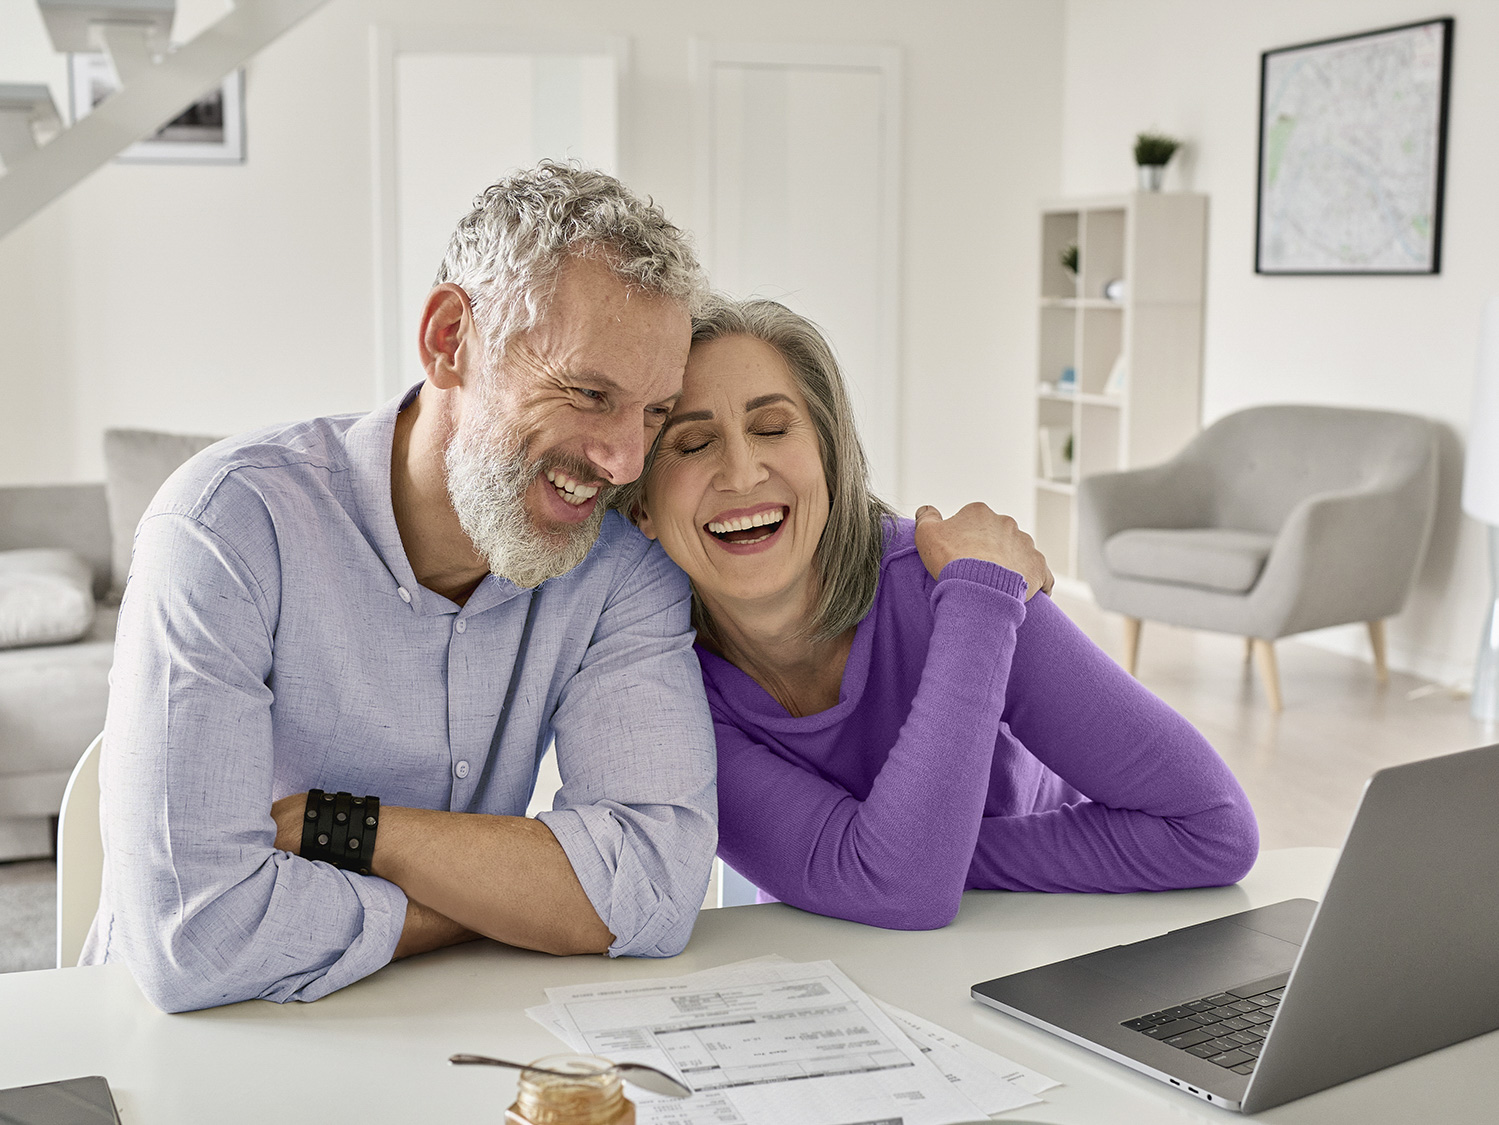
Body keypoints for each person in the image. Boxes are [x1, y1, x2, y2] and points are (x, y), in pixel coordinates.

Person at [82, 163, 720, 1012]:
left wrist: (341, 827)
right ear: (450, 337)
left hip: (429, 1030)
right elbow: (197, 937)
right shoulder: (227, 524)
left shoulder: (620, 566)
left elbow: (655, 883)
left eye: (652, 412)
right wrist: (500, 898)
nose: (625, 461)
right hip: (182, 1044)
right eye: (589, 393)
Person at [629, 297, 1259, 929]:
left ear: (828, 457)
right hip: (834, 967)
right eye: (692, 443)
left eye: (772, 428)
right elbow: (895, 886)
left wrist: (908, 857)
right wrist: (897, 861)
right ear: (641, 509)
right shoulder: (663, 690)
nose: (742, 471)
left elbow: (1214, 828)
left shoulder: (963, 588)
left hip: (1037, 940)